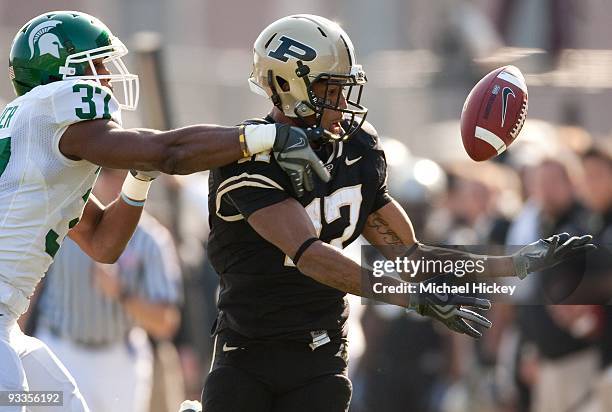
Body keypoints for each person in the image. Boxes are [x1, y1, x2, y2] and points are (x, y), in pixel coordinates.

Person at [201, 14, 595, 411]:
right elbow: (312, 257)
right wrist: (416, 301)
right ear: (286, 85)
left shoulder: (356, 150)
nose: (341, 102)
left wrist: (517, 262)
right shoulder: (250, 157)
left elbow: (413, 257)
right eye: (328, 89)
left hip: (319, 354)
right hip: (248, 351)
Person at [0, 10, 329, 412]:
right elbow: (169, 152)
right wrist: (263, 136)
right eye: (96, 64)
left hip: (7, 327)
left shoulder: (33, 145)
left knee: (59, 403)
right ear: (59, 75)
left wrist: (139, 177)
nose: (106, 77)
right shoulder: (54, 109)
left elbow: (103, 243)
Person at [29, 168, 182, 412]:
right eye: (108, 172)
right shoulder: (63, 224)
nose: (116, 182)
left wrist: (121, 293)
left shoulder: (152, 239)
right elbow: (30, 285)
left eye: (126, 174)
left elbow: (166, 323)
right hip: (59, 349)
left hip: (118, 360)